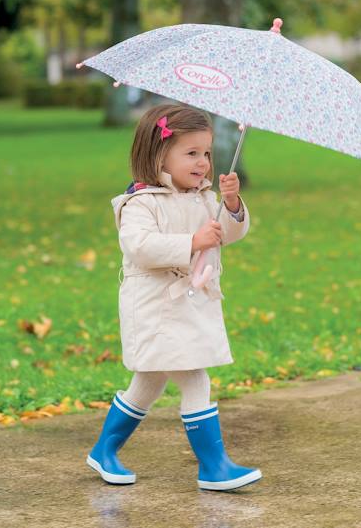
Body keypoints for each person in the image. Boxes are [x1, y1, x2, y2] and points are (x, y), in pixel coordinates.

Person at [86, 103, 262, 491]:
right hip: (155, 306)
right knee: (195, 377)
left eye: (207, 153)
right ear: (159, 153)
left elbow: (227, 234)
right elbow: (140, 246)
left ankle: (103, 450)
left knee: (148, 382)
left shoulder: (204, 198)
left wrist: (231, 205)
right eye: (191, 153)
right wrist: (191, 242)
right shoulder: (140, 201)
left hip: (190, 302)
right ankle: (213, 467)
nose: (202, 163)